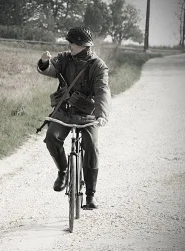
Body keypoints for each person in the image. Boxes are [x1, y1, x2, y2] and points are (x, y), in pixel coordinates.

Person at [37, 26, 111, 209]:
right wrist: (44, 62)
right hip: (64, 111)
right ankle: (63, 171)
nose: (68, 45)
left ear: (81, 44)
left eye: (71, 42)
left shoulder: (98, 66)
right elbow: (51, 70)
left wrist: (101, 114)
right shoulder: (64, 58)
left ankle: (90, 195)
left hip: (87, 115)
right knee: (51, 138)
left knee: (92, 147)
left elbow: (102, 90)